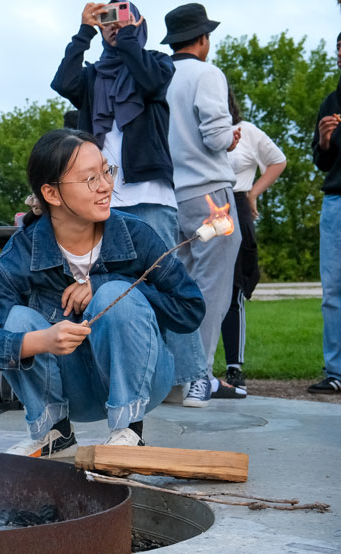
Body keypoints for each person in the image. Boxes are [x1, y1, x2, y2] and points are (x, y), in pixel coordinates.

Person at [0, 129, 205, 457]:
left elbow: (190, 309)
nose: (105, 186)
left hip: (144, 379)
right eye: (90, 179)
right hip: (68, 385)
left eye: (106, 171)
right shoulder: (22, 253)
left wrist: (105, 284)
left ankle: (129, 433)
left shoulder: (135, 236)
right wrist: (41, 341)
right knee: (16, 318)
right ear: (52, 194)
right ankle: (53, 434)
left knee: (115, 293)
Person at [51, 1, 208, 395]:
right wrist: (84, 32)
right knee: (107, 286)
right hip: (101, 198)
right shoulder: (93, 77)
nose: (113, 26)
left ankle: (194, 376)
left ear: (139, 25)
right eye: (107, 20)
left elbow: (152, 83)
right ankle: (135, 371)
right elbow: (63, 81)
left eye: (120, 19)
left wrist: (130, 40)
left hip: (150, 195)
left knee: (166, 283)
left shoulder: (155, 63)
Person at [163, 2, 245, 407]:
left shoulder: (159, 74)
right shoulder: (207, 73)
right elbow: (215, 137)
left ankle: (174, 380)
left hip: (168, 196)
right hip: (212, 197)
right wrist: (230, 136)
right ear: (202, 39)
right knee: (213, 290)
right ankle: (199, 377)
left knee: (179, 289)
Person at [220, 88, 286, 389]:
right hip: (202, 205)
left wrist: (253, 193)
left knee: (233, 290)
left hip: (237, 206)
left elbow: (277, 161)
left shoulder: (246, 131)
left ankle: (234, 367)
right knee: (201, 290)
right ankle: (195, 370)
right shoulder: (195, 131)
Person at [309, 32, 341, 395]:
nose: (340, 55)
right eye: (338, 49)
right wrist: (324, 141)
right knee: (333, 291)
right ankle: (336, 371)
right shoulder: (331, 101)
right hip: (336, 200)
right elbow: (322, 162)